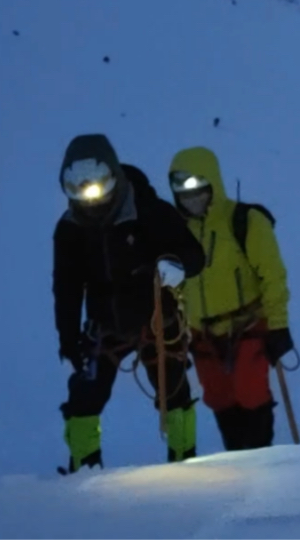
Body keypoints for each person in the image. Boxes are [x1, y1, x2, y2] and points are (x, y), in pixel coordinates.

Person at [53, 134, 206, 473]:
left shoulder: (148, 210)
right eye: (76, 187)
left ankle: (186, 466)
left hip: (157, 319)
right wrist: (67, 339)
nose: (87, 194)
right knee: (83, 398)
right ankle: (83, 470)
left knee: (175, 392)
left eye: (92, 184)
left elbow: (194, 254)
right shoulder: (69, 229)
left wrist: (175, 266)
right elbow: (66, 287)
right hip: (103, 324)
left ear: (111, 177)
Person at [168, 146, 293, 452]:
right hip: (203, 335)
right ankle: (238, 459)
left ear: (214, 185)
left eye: (199, 191)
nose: (192, 200)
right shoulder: (175, 232)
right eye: (184, 194)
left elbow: (273, 276)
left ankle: (261, 458)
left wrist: (278, 326)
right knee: (219, 399)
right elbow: (174, 284)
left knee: (252, 395)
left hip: (247, 326)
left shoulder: (245, 221)